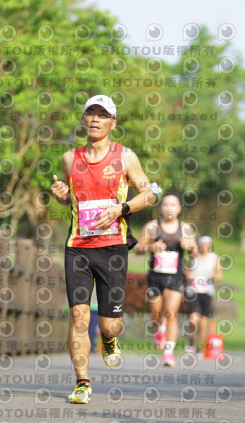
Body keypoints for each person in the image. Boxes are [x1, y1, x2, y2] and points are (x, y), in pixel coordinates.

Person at [50, 94, 161, 404]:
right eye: (91, 113)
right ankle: (82, 383)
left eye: (103, 114)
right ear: (84, 119)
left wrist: (121, 209)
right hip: (78, 247)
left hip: (113, 248)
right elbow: (69, 198)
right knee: (78, 316)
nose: (96, 119)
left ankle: (110, 340)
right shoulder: (70, 158)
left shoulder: (125, 157)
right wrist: (60, 195)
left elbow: (150, 194)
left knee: (109, 324)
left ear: (113, 122)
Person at [135, 192, 197, 367]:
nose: (169, 207)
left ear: (179, 209)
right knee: (156, 313)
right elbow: (138, 249)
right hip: (155, 276)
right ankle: (158, 328)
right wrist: (150, 248)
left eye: (173, 205)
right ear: (161, 208)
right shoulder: (152, 227)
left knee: (171, 313)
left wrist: (190, 246)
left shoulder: (186, 228)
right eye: (166, 204)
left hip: (176, 276)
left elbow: (194, 253)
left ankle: (168, 352)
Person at [184, 235, 223, 357]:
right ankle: (191, 341)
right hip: (193, 290)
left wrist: (213, 276)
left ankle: (200, 347)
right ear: (199, 245)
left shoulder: (214, 258)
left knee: (204, 321)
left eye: (207, 244)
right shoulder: (193, 257)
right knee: (193, 319)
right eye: (202, 244)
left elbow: (220, 276)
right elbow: (186, 271)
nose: (204, 247)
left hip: (207, 291)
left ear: (210, 245)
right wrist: (189, 275)